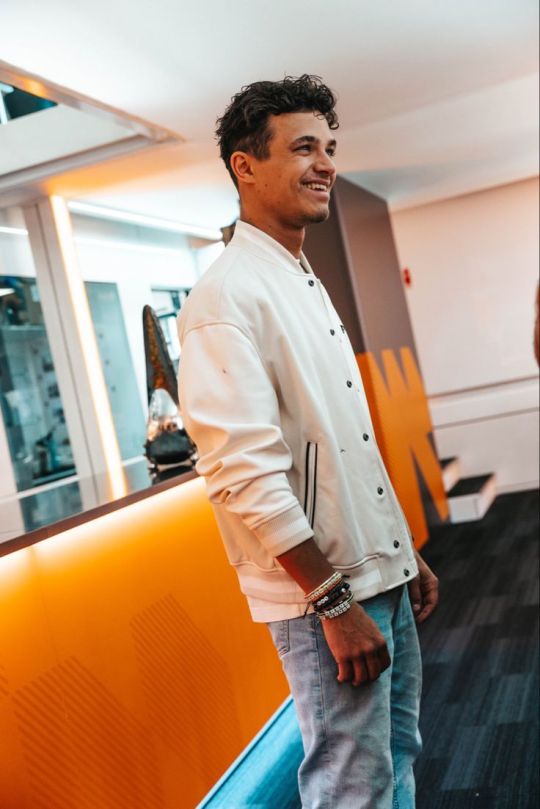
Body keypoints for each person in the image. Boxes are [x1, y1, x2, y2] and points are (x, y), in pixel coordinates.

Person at [177, 74, 438, 809]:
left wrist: (401, 551)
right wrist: (333, 603)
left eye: (329, 148)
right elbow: (242, 473)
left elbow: (345, 446)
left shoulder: (300, 277)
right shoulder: (225, 298)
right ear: (245, 165)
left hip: (374, 575)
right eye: (303, 148)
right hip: (324, 597)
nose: (326, 164)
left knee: (397, 757)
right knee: (354, 786)